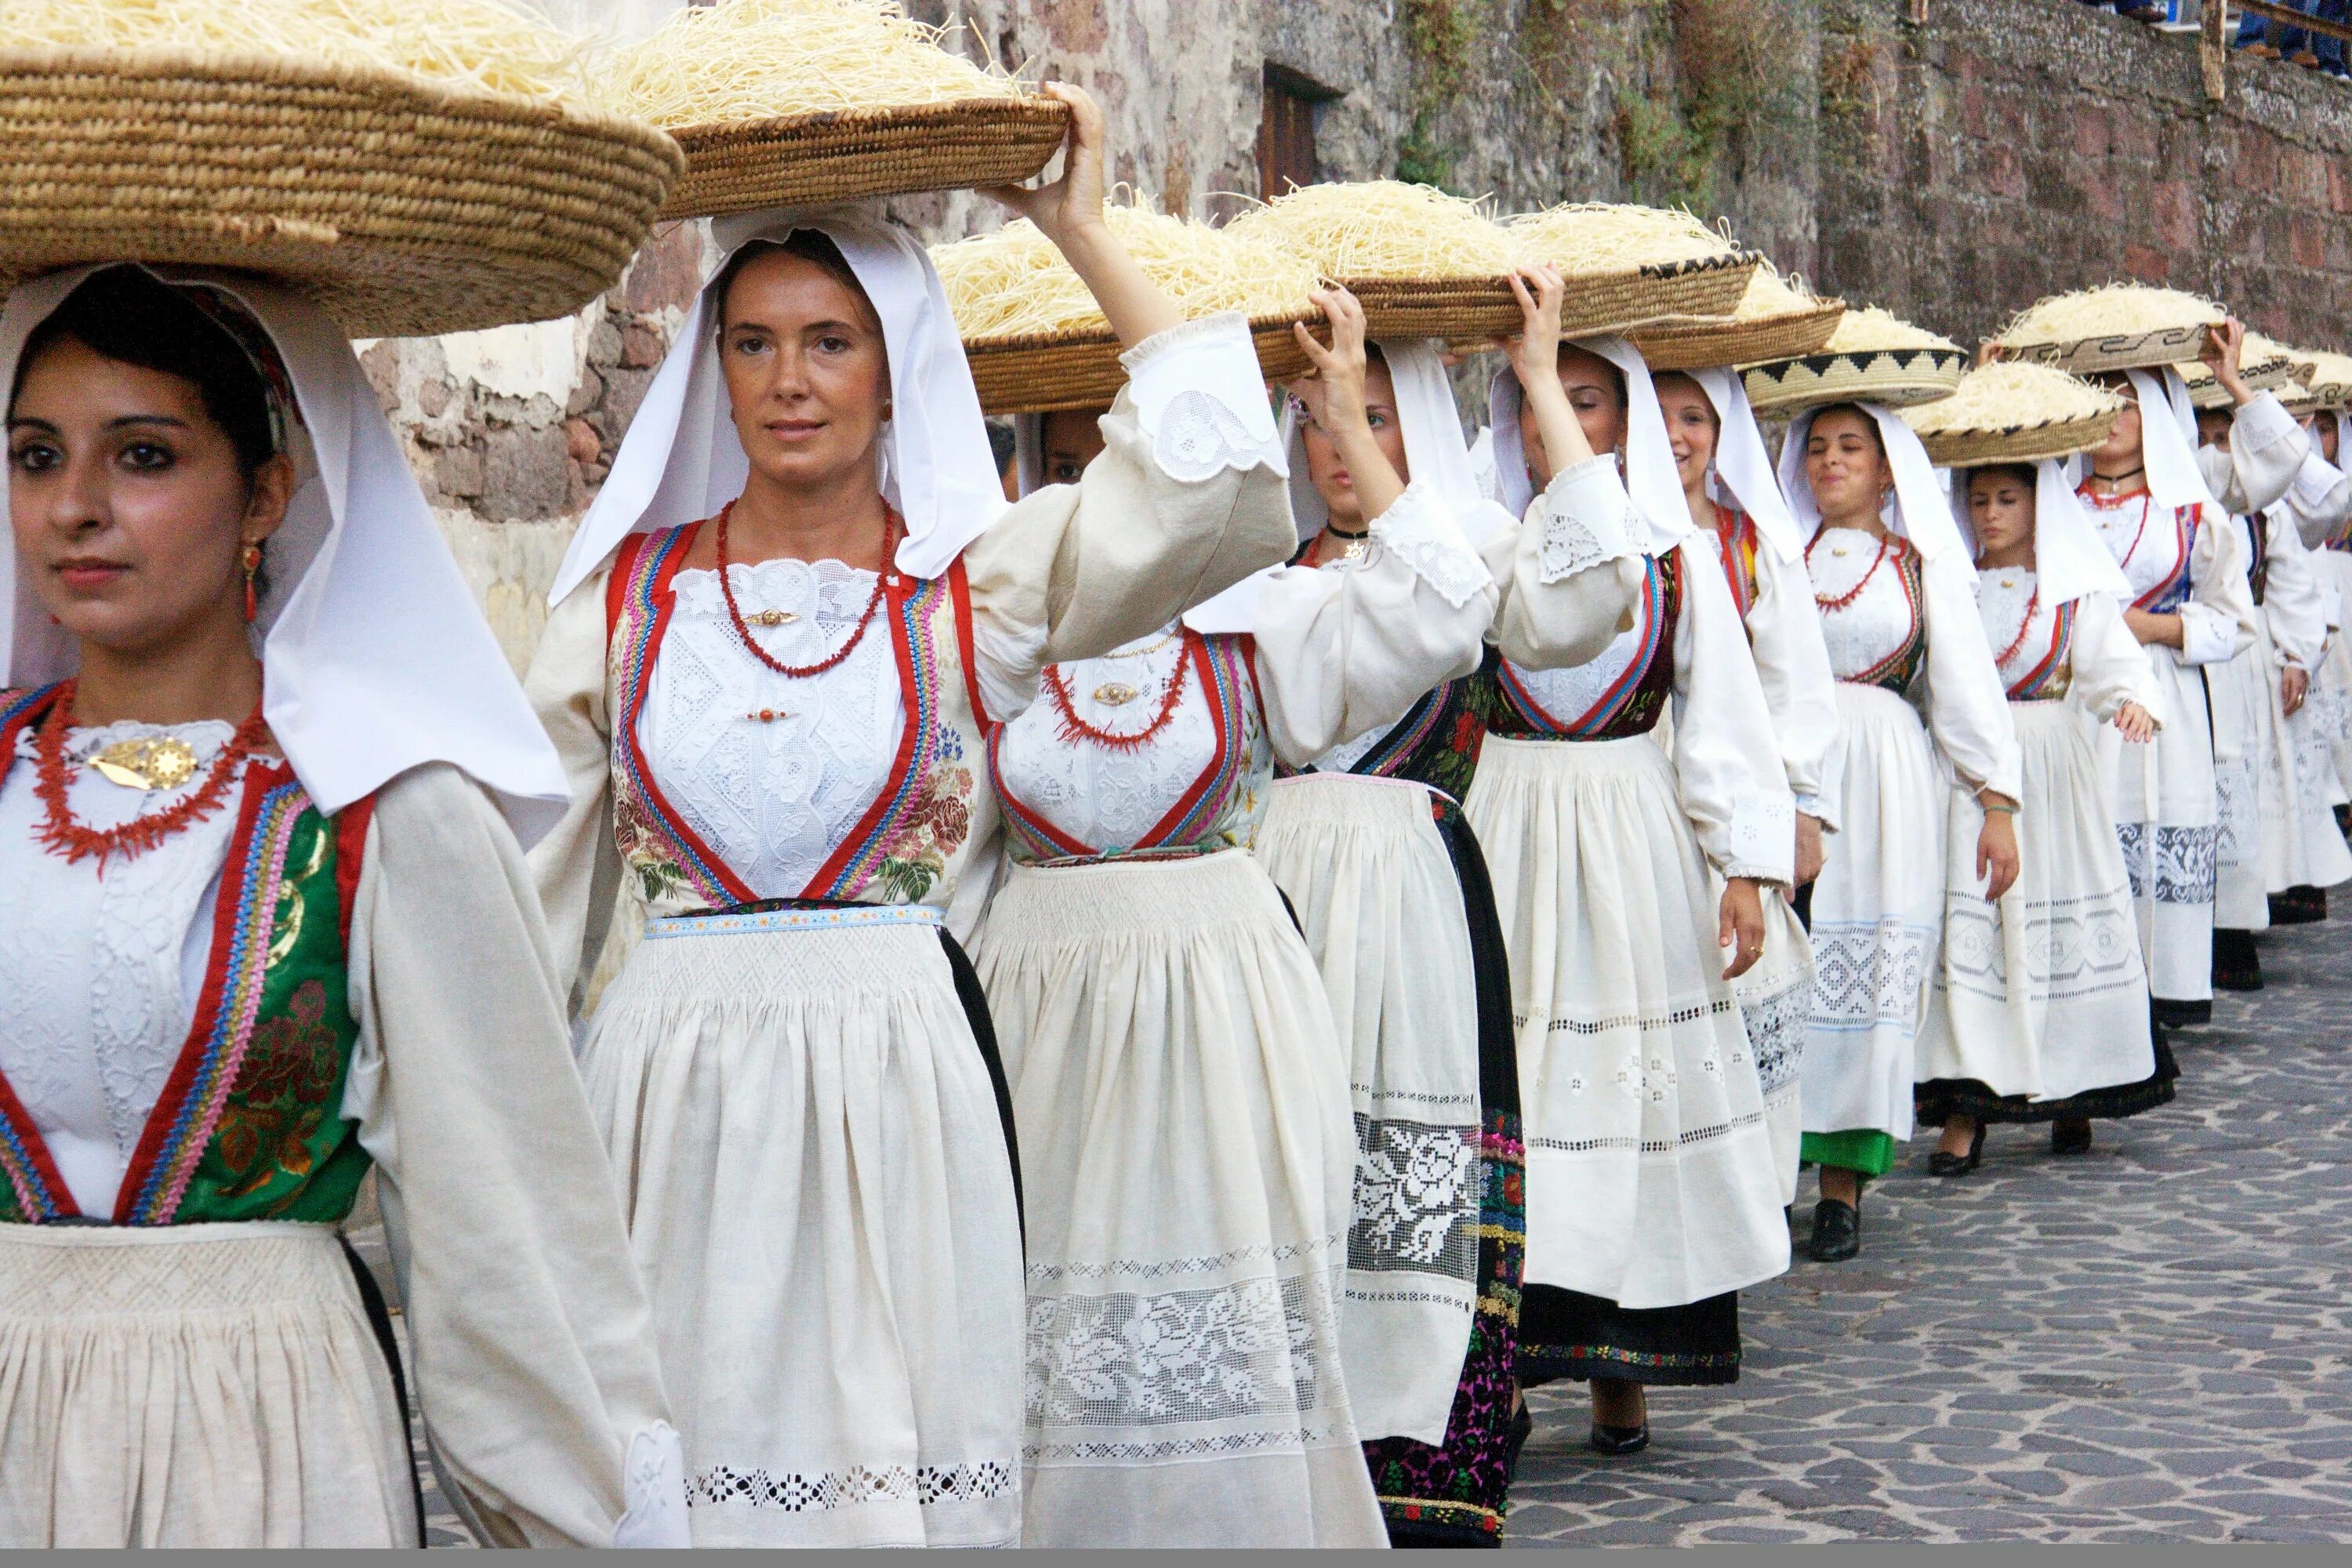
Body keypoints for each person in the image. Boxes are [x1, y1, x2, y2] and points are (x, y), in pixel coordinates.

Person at [524, 86, 1297, 1548]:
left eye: (832, 342)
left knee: (888, 1483)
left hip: (900, 1100)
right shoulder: (620, 608)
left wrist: (1081, 234)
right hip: (666, 1111)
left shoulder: (980, 590)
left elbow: (1218, 493)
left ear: (898, 370)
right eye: (751, 343)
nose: (788, 380)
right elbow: (521, 905)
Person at [0, 265, 685, 1547]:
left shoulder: (383, 811)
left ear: (268, 488)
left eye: (141, 455)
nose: (76, 509)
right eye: (37, 456)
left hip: (261, 1444)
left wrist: (583, 1516)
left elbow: (510, 1245)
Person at [972, 285, 1501, 1546]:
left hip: (1226, 1020)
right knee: (1048, 1329)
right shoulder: (985, 639)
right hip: (1041, 1020)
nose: (1105, 509)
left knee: (1232, 1326)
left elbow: (1444, 607)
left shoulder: (1255, 628)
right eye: (1072, 467)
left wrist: (1340, 402)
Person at [1476, 290, 1795, 1454]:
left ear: (1622, 424)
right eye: (1527, 398)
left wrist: (1745, 868)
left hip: (1631, 837)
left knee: (1631, 1089)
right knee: (1509, 1086)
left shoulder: (1675, 555)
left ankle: (1627, 1365)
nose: (1545, 420)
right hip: (1505, 820)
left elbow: (1719, 719)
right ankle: (1500, 1374)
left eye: (1579, 395)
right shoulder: (1487, 544)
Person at [1247, 320, 1526, 1544]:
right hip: (1271, 891)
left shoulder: (1476, 553)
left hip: (1410, 886)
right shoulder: (1257, 578)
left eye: (1367, 415)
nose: (1335, 447)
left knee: (1407, 1160)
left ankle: (1415, 1458)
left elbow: (1585, 605)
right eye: (1311, 418)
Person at [1777, 402, 2020, 1261]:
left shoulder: (1919, 570)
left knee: (1865, 974)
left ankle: (1842, 1184)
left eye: (1852, 447)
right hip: (1789, 778)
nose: (1831, 461)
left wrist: (1996, 801)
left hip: (1884, 781)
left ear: (1889, 471)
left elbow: (1960, 687)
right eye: (1816, 448)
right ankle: (1772, 1170)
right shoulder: (1774, 559)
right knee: (1776, 969)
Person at [1914, 459, 2175, 1165]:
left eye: (2007, 498)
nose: (1990, 513)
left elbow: (2113, 664)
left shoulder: (2071, 591)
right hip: (1973, 773)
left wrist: (2130, 700)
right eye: (1978, 499)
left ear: (2040, 505)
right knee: (1978, 928)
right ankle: (1968, 1110)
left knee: (2061, 921)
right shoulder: (1951, 586)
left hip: (2054, 770)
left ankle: (2076, 1089)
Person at [1653, 368, 1840, 1209]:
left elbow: (1790, 691)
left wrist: (1795, 810)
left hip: (1742, 779)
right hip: (1637, 786)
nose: (1677, 436)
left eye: (1694, 417)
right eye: (1656, 418)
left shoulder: (1754, 544)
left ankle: (1750, 1192)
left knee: (1742, 970)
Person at [2075, 326, 2281, 1024]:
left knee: (2151, 835)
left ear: (2156, 415)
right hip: (2079, 702)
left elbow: (2234, 624)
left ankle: (2147, 1003)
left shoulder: (2191, 512)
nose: (2111, 415)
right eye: (2096, 398)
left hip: (2164, 701)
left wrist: (2150, 629)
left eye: (2127, 403)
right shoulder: (2053, 505)